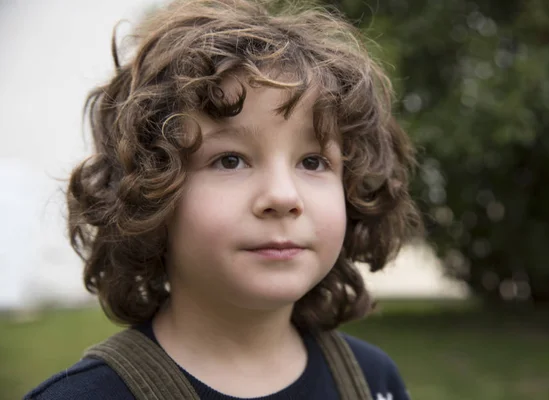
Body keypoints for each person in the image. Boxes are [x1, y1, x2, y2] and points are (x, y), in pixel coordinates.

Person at [25, 0, 421, 398]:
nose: (283, 197)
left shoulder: (373, 381)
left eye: (313, 161)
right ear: (147, 194)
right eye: (230, 160)